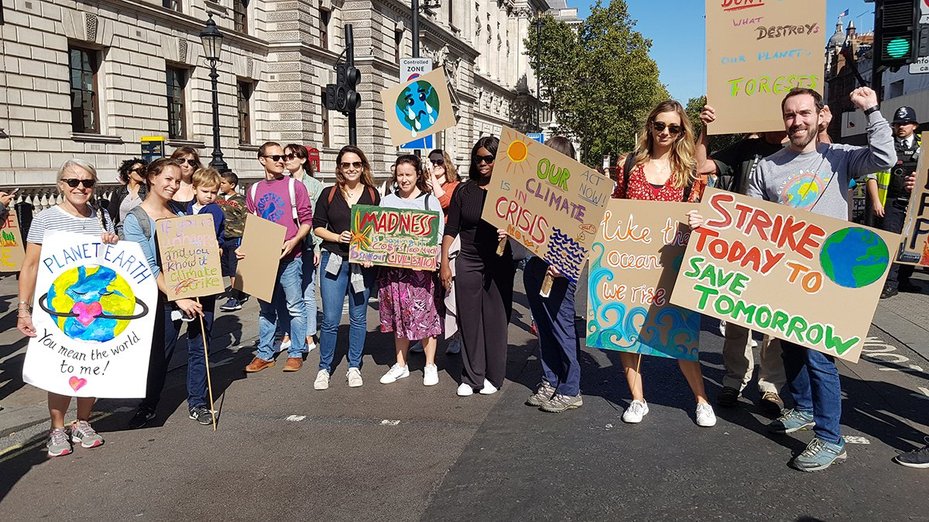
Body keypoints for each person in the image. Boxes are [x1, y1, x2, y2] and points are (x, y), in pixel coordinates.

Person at [692, 87, 896, 471]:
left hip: (829, 278)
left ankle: (831, 438)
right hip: (784, 277)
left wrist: (871, 111)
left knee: (820, 357)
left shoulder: (840, 157)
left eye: (804, 113)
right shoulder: (769, 167)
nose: (796, 121)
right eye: (789, 115)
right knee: (789, 346)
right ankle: (802, 408)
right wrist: (712, 226)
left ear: (821, 116)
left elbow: (886, 156)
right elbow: (747, 217)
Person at [611, 100, 716, 428]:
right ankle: (637, 399)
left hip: (673, 262)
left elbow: (706, 213)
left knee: (681, 333)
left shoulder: (689, 173)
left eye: (674, 127)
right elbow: (615, 205)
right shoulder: (629, 165)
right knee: (625, 330)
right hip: (632, 260)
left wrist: (700, 219)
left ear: (682, 131)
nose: (666, 133)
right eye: (660, 126)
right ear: (650, 127)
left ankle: (701, 400)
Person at [17, 159, 118, 456]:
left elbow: (110, 263)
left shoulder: (100, 217)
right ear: (61, 184)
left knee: (92, 365)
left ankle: (83, 421)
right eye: (73, 182)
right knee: (62, 368)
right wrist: (24, 309)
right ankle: (57, 428)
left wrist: (113, 241)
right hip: (59, 307)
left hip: (95, 308)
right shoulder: (46, 218)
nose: (80, 188)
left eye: (87, 182)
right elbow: (31, 266)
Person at [695, 105, 787, 415]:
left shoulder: (803, 149)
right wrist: (706, 128)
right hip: (743, 247)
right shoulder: (748, 148)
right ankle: (733, 380)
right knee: (736, 319)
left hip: (784, 249)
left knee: (774, 324)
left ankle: (771, 387)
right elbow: (701, 166)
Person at [123, 158, 214, 429]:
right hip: (163, 298)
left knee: (200, 348)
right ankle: (148, 406)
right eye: (168, 179)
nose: (174, 185)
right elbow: (148, 267)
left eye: (177, 180)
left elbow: (195, 251)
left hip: (198, 291)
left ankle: (197, 403)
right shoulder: (136, 219)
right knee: (159, 354)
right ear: (152, 178)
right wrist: (178, 297)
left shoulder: (182, 214)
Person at [440, 136, 515, 397]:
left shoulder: (511, 191)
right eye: (478, 158)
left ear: (499, 161)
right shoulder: (464, 190)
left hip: (500, 262)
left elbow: (526, 229)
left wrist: (511, 232)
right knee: (469, 320)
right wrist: (444, 262)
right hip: (469, 259)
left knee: (495, 320)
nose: (482, 163)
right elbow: (452, 228)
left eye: (489, 159)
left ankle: (494, 375)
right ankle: (472, 376)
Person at [312, 145, 381, 389]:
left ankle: (354, 366)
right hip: (334, 261)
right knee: (330, 319)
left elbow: (378, 230)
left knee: (359, 317)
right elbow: (317, 226)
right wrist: (335, 237)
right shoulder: (329, 194)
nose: (351, 169)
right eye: (346, 165)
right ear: (339, 168)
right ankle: (324, 368)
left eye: (356, 164)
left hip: (363, 265)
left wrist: (371, 252)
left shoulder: (372, 194)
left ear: (363, 167)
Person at [523, 137, 583, 413]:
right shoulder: (536, 189)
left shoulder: (578, 195)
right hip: (535, 265)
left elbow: (582, 235)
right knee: (544, 328)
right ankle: (550, 379)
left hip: (559, 270)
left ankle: (571, 389)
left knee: (562, 329)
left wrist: (565, 262)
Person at [242, 142, 314, 373]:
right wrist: (245, 250)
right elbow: (251, 225)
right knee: (266, 309)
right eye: (275, 157)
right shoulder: (253, 190)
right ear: (262, 159)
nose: (281, 161)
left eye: (283, 157)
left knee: (295, 306)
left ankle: (296, 351)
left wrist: (294, 241)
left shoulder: (295, 187)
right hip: (263, 258)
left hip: (290, 256)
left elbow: (306, 220)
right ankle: (265, 353)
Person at [377, 155, 445, 386]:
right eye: (400, 174)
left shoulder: (429, 202)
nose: (404, 179)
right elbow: (378, 235)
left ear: (418, 175)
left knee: (425, 317)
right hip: (393, 273)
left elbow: (437, 238)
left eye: (408, 174)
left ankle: (430, 364)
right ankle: (401, 364)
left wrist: (431, 258)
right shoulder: (386, 201)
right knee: (398, 318)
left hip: (420, 275)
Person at [866, 106, 922, 298]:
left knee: (912, 243)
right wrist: (876, 202)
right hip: (891, 201)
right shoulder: (886, 145)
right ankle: (890, 283)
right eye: (897, 123)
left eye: (905, 123)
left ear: (914, 125)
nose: (900, 127)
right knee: (892, 243)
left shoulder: (924, 145)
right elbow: (871, 175)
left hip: (916, 203)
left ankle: (905, 280)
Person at [278, 144, 325, 352]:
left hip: (308, 244)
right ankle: (289, 332)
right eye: (284, 156)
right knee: (287, 291)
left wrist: (317, 247)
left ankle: (308, 335)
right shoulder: (281, 184)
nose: (286, 160)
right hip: (285, 244)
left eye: (290, 156)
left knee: (307, 289)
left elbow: (317, 220)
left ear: (303, 159)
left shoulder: (314, 186)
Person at [217, 171, 249, 312]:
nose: (220, 185)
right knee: (227, 268)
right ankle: (240, 293)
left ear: (232, 185)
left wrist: (246, 240)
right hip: (223, 238)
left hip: (236, 237)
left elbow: (247, 219)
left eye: (223, 183)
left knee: (233, 269)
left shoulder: (241, 200)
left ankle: (235, 298)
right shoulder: (218, 198)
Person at [107, 158, 148, 233]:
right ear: (129, 173)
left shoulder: (148, 191)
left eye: (144, 169)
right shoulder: (118, 192)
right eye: (139, 170)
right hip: (122, 233)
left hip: (142, 232)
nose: (142, 172)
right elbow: (110, 215)